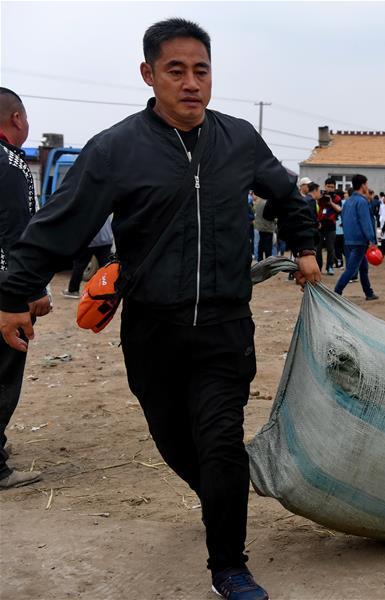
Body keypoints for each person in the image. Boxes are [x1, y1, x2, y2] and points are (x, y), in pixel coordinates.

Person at [0, 20, 320, 599]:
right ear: (149, 75)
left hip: (226, 325)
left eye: (201, 71)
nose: (191, 83)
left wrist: (304, 246)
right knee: (174, 440)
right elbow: (58, 225)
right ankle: (218, 497)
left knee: (220, 441)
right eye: (176, 70)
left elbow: (287, 194)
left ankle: (229, 565)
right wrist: (11, 296)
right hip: (153, 328)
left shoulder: (239, 139)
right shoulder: (116, 148)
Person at [0, 87, 51, 490]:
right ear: (17, 118)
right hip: (5, 292)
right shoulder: (12, 164)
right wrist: (28, 291)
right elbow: (17, 235)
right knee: (3, 374)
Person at [334, 174, 378, 301]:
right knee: (351, 269)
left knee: (363, 267)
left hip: (349, 239)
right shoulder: (362, 202)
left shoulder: (348, 202)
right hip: (360, 240)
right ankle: (336, 292)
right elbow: (366, 222)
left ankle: (368, 292)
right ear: (363, 185)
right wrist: (372, 239)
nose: (367, 186)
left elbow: (344, 219)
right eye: (366, 184)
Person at [61, 215, 114, 298]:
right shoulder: (106, 207)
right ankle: (109, 290)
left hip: (90, 241)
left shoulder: (88, 208)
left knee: (80, 265)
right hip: (106, 240)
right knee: (106, 267)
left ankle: (73, 290)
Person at [315, 184, 341, 275]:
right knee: (318, 248)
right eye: (328, 186)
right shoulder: (320, 195)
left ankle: (329, 267)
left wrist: (331, 202)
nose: (330, 188)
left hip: (331, 225)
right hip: (320, 225)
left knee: (330, 248)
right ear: (325, 186)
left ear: (334, 188)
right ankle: (318, 267)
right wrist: (320, 198)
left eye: (332, 187)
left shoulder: (337, 198)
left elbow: (339, 209)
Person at [253, 193, 277, 262]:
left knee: (260, 244)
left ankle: (259, 260)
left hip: (260, 227)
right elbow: (271, 216)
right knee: (268, 247)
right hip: (268, 228)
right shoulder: (269, 202)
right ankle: (268, 262)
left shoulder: (258, 201)